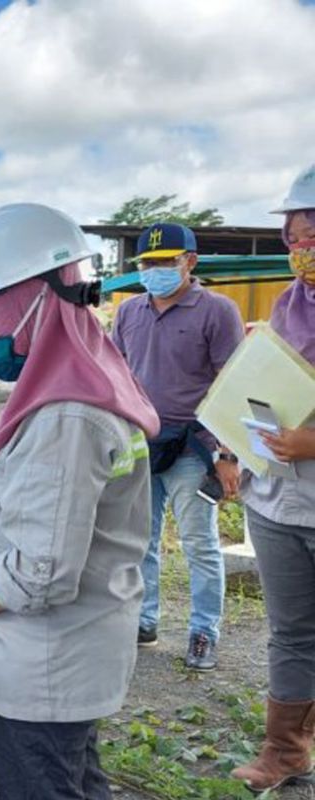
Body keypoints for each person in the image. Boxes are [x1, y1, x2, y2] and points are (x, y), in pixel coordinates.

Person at [0, 203, 160, 800]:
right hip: (65, 656)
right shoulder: (83, 380)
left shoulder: (66, 415)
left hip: (46, 669)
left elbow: (42, 574)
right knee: (76, 780)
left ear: (31, 303)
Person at [111, 222, 244, 670]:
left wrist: (228, 455)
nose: (155, 271)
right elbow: (115, 377)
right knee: (139, 541)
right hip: (143, 446)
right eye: (148, 264)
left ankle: (203, 631)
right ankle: (143, 620)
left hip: (194, 448)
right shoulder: (129, 313)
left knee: (199, 543)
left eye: (165, 262)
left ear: (190, 262)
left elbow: (233, 385)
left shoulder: (216, 311)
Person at [231, 164, 315, 793]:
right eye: (292, 237)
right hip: (277, 503)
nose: (300, 250)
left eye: (311, 234)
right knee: (290, 632)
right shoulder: (288, 308)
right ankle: (285, 751)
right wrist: (230, 445)